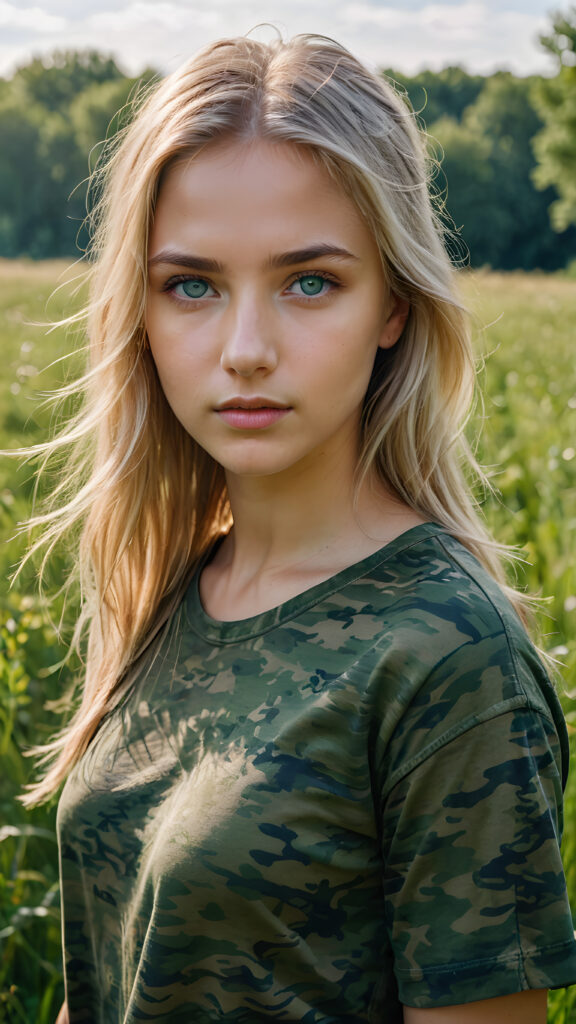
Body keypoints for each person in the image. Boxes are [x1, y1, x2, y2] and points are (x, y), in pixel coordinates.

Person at [23, 32, 576, 1024]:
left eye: (310, 281)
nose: (243, 350)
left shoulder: (448, 660)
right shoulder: (175, 588)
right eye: (191, 285)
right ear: (138, 312)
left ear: (395, 305)